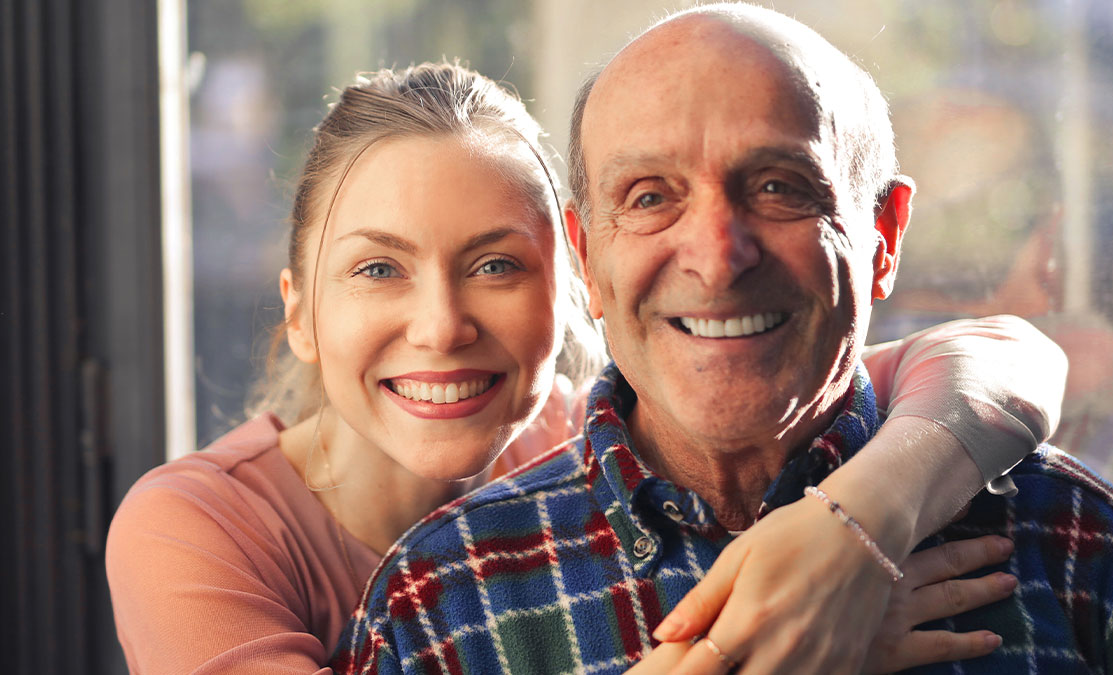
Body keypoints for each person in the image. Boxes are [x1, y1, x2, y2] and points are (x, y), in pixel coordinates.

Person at [107, 62, 1064, 674]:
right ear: (300, 312)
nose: (440, 326)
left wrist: (855, 528)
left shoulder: (617, 443)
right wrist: (772, 645)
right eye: (377, 269)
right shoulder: (193, 527)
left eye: (495, 265)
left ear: (577, 281)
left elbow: (1003, 359)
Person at [333, 6, 1113, 675]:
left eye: (780, 187)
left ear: (884, 235)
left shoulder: (1076, 541)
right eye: (649, 196)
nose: (717, 258)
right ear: (587, 259)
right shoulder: (444, 601)